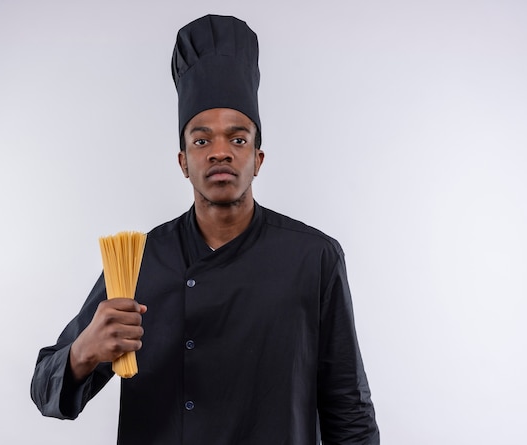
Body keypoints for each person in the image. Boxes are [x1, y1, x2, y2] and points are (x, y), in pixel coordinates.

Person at [31, 14, 379, 444]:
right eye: (201, 140)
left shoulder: (314, 258)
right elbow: (44, 388)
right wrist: (84, 352)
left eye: (237, 139)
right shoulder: (138, 262)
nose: (220, 152)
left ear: (258, 158)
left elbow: (349, 408)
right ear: (183, 162)